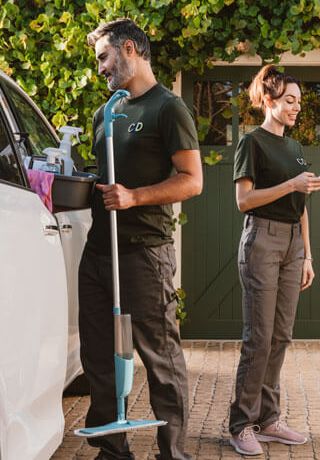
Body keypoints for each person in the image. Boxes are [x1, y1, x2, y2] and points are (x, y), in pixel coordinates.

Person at [79, 19, 203, 460]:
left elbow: (192, 181)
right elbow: (104, 177)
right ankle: (113, 451)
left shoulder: (167, 109)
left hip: (145, 255)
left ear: (128, 48)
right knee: (99, 357)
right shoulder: (105, 112)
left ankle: (172, 453)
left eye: (103, 58)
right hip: (98, 253)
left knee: (160, 358)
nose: (99, 69)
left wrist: (134, 197)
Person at [228, 65, 320, 456]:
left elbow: (300, 205)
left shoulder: (295, 148)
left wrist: (307, 254)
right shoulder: (251, 143)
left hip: (291, 246)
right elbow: (243, 201)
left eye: (299, 102)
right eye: (289, 100)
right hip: (262, 241)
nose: (296, 108)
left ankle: (268, 420)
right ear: (268, 100)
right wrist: (291, 184)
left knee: (282, 335)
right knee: (259, 337)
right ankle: (241, 424)